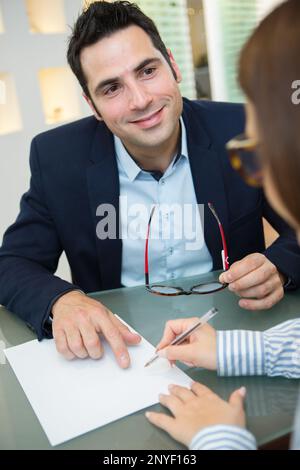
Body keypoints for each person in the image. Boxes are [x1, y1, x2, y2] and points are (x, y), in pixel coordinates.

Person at [0, 1, 300, 367]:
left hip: (234, 339)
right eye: (111, 88)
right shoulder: (56, 157)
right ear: (92, 105)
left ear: (172, 65)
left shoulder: (238, 129)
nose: (141, 100)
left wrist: (280, 266)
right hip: (120, 354)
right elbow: (12, 263)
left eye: (147, 70)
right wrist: (61, 300)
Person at [145, 0, 300, 450]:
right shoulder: (58, 156)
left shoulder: (219, 124)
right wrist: (234, 350)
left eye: (255, 155)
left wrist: (220, 437)